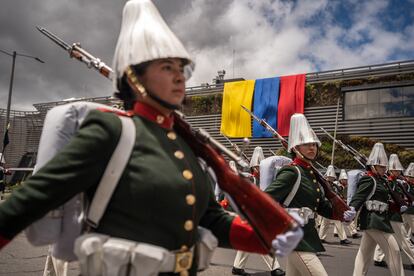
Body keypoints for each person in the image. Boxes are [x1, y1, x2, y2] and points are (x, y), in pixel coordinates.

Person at [0, 1, 304, 276]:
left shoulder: (184, 143)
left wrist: (267, 238)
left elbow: (209, 217)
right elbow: (29, 202)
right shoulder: (111, 130)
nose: (179, 77)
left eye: (181, 69)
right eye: (167, 67)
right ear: (134, 77)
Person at [265, 113, 356, 276]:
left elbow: (320, 205)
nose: (312, 147)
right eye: (306, 144)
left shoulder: (311, 174)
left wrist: (341, 214)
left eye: (314, 144)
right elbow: (266, 199)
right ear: (295, 148)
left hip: (306, 234)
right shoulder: (292, 172)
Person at [349, 143, 405, 276]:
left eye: (385, 166)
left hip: (378, 220)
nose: (384, 168)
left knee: (364, 255)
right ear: (373, 166)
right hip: (375, 221)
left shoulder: (380, 180)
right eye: (381, 166)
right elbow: (359, 197)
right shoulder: (369, 179)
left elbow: (385, 200)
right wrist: (352, 208)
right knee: (394, 251)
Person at [232, 147, 285, 276]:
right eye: (258, 167)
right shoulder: (249, 179)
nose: (260, 170)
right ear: (253, 168)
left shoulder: (268, 181)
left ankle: (237, 267)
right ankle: (275, 268)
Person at [373, 154, 414, 269]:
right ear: (391, 170)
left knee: (386, 235)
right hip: (392, 213)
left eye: (398, 170)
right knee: (404, 239)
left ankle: (378, 257)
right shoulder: (388, 182)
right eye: (395, 170)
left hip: (393, 213)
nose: (398, 172)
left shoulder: (395, 182)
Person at [318, 165, 352, 245]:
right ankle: (321, 237)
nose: (332, 178)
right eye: (330, 177)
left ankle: (343, 238)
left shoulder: (335, 186)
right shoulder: (323, 185)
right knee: (325, 223)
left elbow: (338, 194)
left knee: (338, 222)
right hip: (326, 205)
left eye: (332, 177)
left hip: (334, 206)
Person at [403, 163, 414, 240]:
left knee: (406, 227)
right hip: (408, 208)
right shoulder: (405, 185)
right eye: (409, 176)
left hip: (410, 209)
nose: (411, 178)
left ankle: (407, 240)